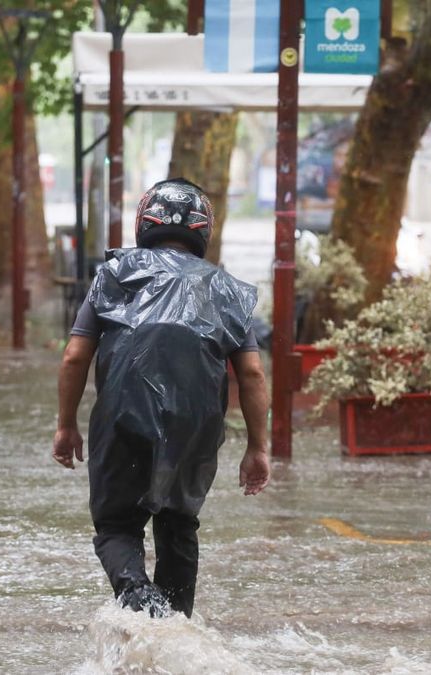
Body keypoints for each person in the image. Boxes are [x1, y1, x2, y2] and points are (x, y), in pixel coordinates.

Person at [52, 178, 271, 618]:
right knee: (178, 525)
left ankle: (140, 601)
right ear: (203, 229)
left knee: (117, 526)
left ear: (144, 223)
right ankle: (175, 630)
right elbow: (251, 373)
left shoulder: (114, 274)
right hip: (195, 426)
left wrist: (66, 425)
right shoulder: (227, 289)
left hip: (122, 418)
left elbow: (75, 357)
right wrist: (257, 447)